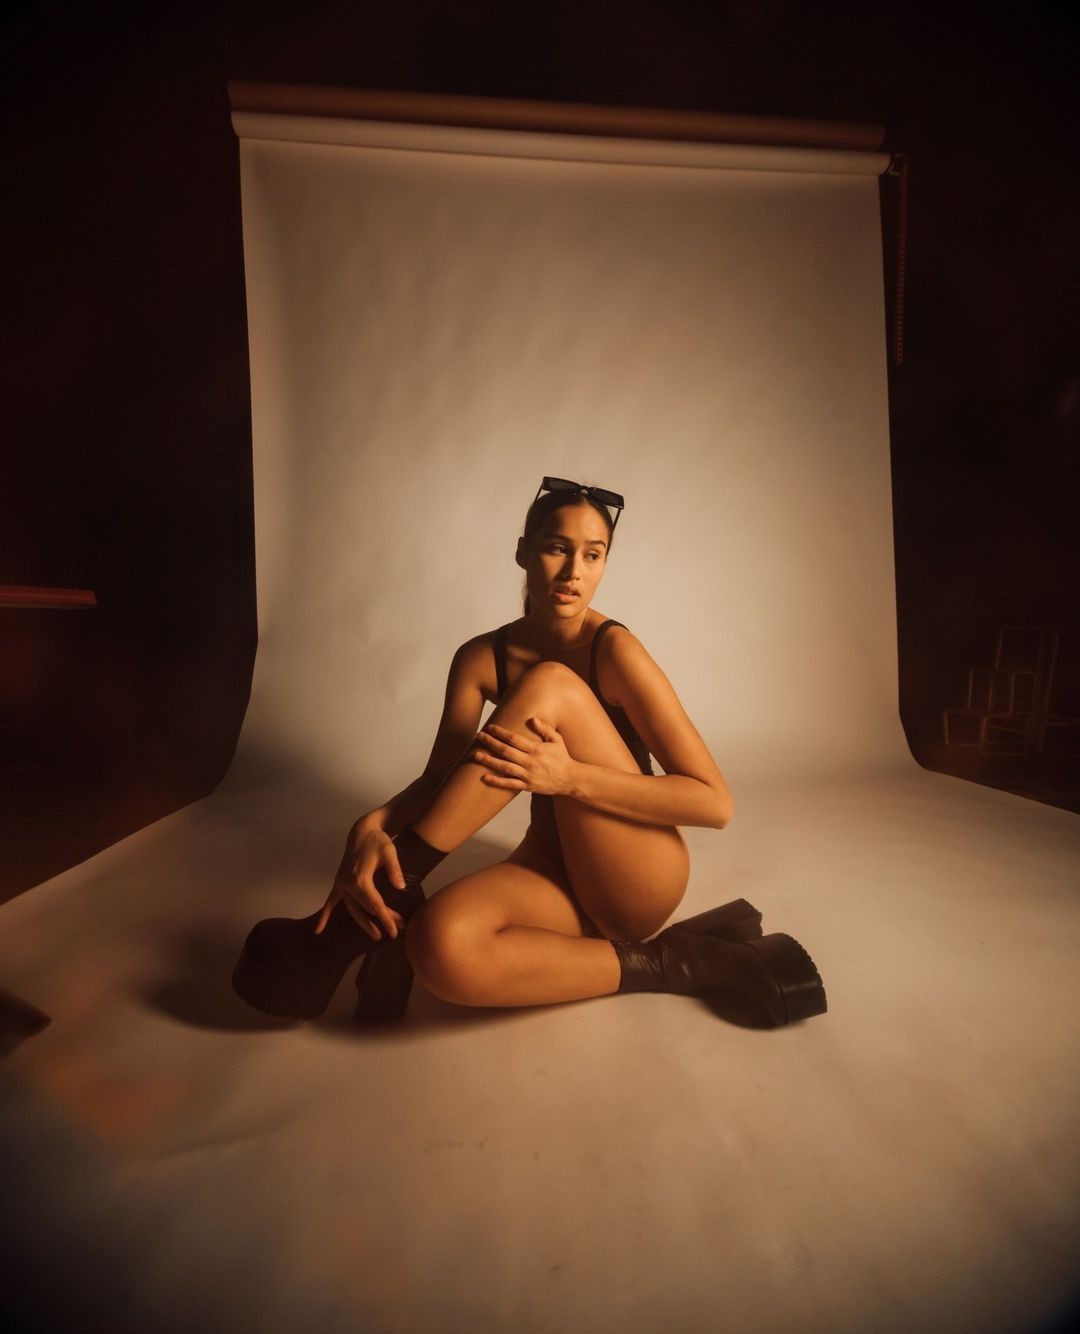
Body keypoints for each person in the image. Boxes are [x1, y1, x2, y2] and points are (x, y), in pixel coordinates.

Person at [232, 478, 826, 1026]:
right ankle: (679, 961)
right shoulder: (479, 659)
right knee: (440, 947)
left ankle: (397, 885)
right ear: (523, 551)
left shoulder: (614, 650)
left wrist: (570, 779)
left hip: (637, 872)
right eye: (556, 548)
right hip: (551, 869)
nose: (573, 571)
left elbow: (714, 802)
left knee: (550, 686)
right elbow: (442, 779)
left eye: (593, 555)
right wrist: (373, 823)